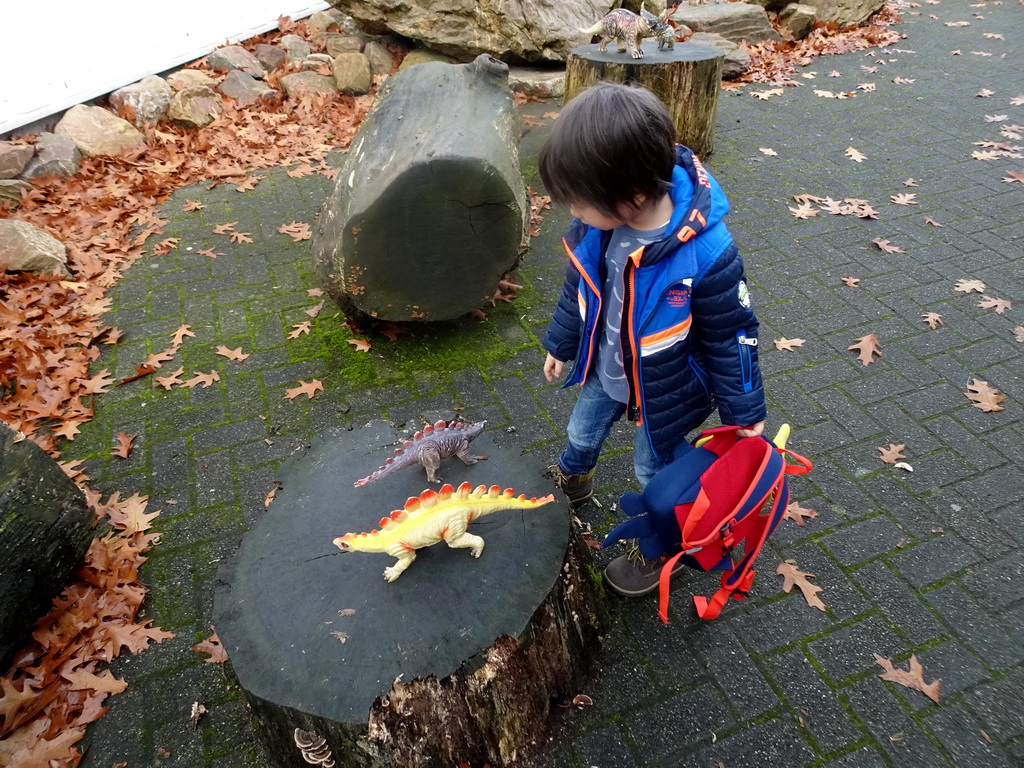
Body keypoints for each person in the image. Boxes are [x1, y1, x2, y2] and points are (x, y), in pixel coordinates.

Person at [539, 82, 767, 596]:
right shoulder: (597, 231)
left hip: (669, 387)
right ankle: (573, 478)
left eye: (577, 202)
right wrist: (562, 342)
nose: (572, 213)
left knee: (653, 469)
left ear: (631, 196)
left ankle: (665, 543)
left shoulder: (707, 254)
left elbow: (733, 335)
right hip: (606, 367)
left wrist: (743, 411)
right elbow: (579, 287)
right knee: (581, 429)